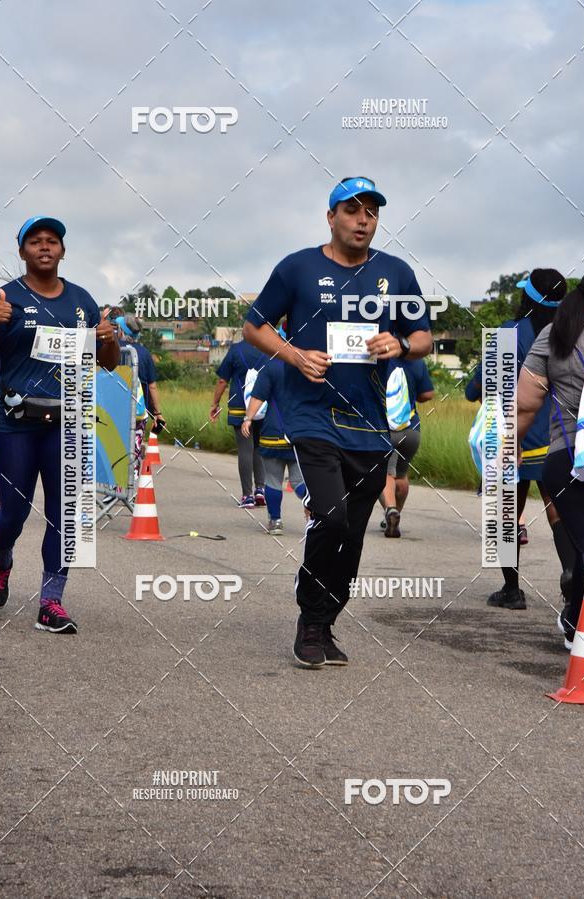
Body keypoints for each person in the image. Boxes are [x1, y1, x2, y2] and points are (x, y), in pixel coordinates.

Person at [243, 176, 432, 668]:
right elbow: (254, 325)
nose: (362, 219)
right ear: (331, 218)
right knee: (330, 515)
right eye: (351, 210)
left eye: (370, 211)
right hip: (312, 415)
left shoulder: (397, 273)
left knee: (351, 534)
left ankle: (327, 623)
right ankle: (309, 617)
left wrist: (400, 345)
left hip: (369, 424)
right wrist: (294, 355)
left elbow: (423, 337)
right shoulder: (298, 268)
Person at [0, 216, 119, 632]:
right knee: (14, 511)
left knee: (66, 514)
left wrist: (108, 340)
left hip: (66, 420)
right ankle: (1, 559)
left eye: (52, 241)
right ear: (22, 250)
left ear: (63, 251)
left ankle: (52, 601)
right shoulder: (5, 296)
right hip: (12, 420)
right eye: (34, 241)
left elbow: (106, 364)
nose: (44, 247)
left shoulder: (82, 300)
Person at [465, 269, 576, 611]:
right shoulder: (569, 335)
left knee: (505, 514)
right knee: (559, 511)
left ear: (526, 298)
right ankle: (573, 577)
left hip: (513, 438)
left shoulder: (509, 334)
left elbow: (475, 389)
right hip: (557, 439)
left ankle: (511, 590)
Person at [519, 270, 584, 649]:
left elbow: (525, 403)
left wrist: (508, 446)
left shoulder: (554, 335)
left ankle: (575, 618)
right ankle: (577, 621)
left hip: (567, 457)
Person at [240, 345, 307, 536]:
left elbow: (258, 396)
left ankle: (275, 521)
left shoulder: (271, 366)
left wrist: (248, 419)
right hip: (300, 433)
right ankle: (312, 506)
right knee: (298, 480)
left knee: (272, 479)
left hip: (273, 432)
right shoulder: (306, 363)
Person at [378, 358, 434, 537]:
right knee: (401, 475)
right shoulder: (417, 361)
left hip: (386, 427)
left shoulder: (378, 359)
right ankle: (395, 513)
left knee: (385, 473)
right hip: (411, 430)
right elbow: (427, 394)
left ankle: (391, 510)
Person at [210, 338, 267, 508]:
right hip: (262, 407)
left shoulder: (236, 350)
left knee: (245, 449)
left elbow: (222, 380)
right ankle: (260, 490)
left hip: (239, 407)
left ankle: (247, 496)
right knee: (259, 447)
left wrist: (215, 404)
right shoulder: (268, 347)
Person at [115, 314, 165, 475]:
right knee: (134, 447)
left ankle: (116, 488)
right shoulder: (144, 353)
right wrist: (157, 413)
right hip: (138, 409)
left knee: (115, 447)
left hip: (115, 407)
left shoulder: (113, 349)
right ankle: (131, 488)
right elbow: (152, 387)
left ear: (121, 331)